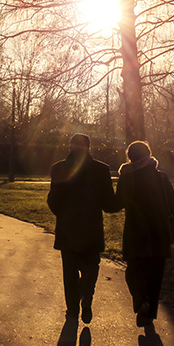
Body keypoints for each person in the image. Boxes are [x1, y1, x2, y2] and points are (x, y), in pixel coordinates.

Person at [47, 134, 116, 324]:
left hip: (67, 229)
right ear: (89, 148)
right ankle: (87, 294)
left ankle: (72, 312)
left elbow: (53, 201)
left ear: (69, 146)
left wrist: (62, 213)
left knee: (69, 273)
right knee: (91, 267)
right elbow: (109, 204)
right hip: (91, 228)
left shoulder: (58, 168)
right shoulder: (101, 170)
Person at [113, 141, 174, 327]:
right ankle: (149, 314)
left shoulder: (127, 178)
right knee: (155, 275)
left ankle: (141, 299)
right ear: (149, 155)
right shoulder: (161, 178)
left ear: (130, 157)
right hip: (160, 232)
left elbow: (117, 203)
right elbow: (173, 205)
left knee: (134, 271)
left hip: (136, 232)